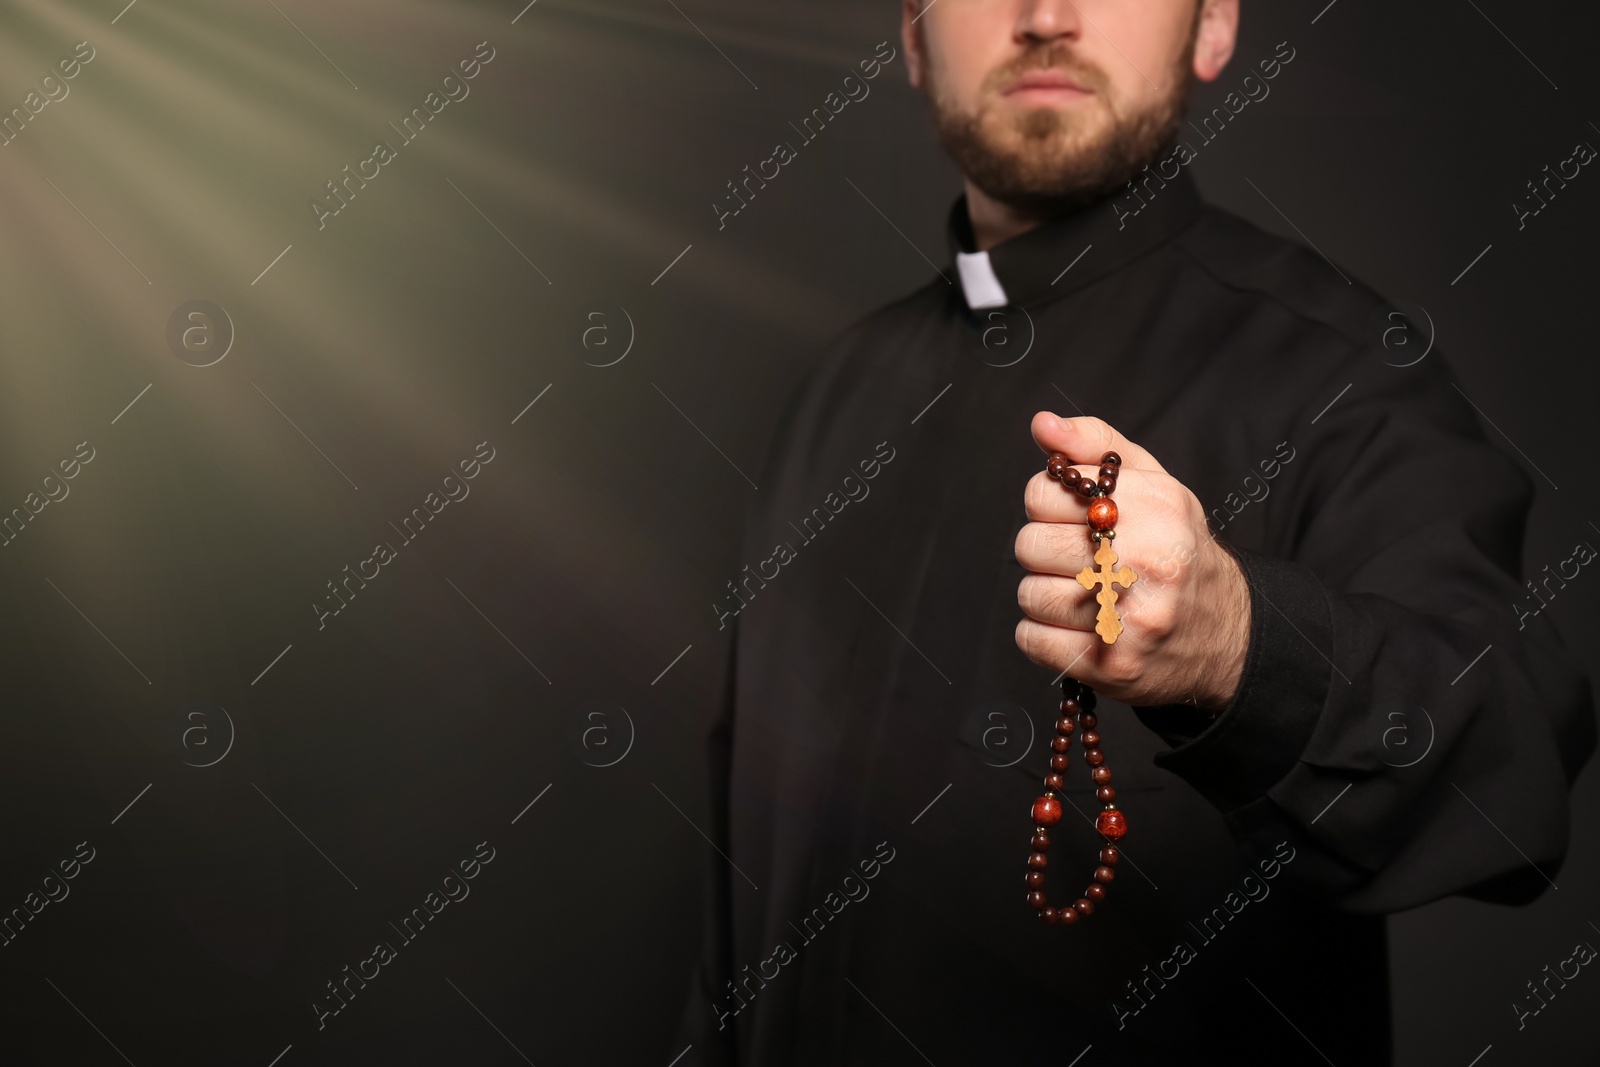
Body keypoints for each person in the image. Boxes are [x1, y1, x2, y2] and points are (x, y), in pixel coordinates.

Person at [675, 2, 1595, 1063]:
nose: (1045, 16)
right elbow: (734, 897)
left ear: (1209, 30)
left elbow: (1514, 770)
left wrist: (1242, 649)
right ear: (916, 38)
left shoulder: (1345, 370)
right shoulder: (828, 396)